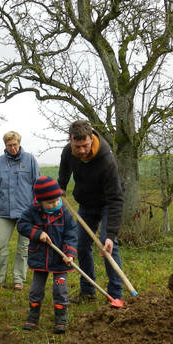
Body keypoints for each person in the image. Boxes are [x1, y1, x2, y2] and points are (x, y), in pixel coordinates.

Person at [58, 120, 125, 302]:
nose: (81, 150)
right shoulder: (68, 152)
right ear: (71, 140)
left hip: (107, 203)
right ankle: (88, 292)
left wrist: (110, 234)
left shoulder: (106, 160)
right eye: (77, 146)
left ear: (91, 138)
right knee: (80, 245)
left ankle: (115, 294)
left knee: (108, 244)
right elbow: (64, 170)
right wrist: (61, 186)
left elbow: (116, 199)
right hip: (86, 204)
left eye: (85, 145)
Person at [17, 176, 77, 334]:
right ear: (40, 202)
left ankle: (61, 317)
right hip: (40, 258)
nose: (55, 204)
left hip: (60, 259)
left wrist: (69, 254)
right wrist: (37, 234)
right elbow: (22, 225)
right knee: (36, 290)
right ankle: (33, 315)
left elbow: (71, 234)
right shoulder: (32, 211)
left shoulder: (64, 213)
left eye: (57, 200)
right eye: (50, 202)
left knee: (60, 289)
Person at [0, 131, 40, 290]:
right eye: (9, 145)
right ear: (5, 146)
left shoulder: (30, 160)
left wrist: (37, 209)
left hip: (26, 212)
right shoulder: (0, 162)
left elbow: (37, 185)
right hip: (4, 211)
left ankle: (19, 279)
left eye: (15, 144)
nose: (13, 148)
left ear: (19, 143)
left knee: (23, 248)